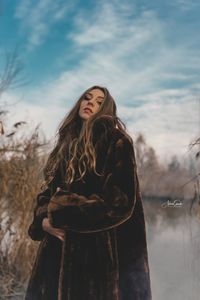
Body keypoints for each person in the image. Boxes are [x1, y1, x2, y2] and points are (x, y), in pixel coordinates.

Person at [25, 85, 152, 300]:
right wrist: (44, 221)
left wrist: (59, 211)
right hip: (54, 254)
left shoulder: (117, 141)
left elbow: (119, 204)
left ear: (106, 109)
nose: (91, 102)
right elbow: (47, 194)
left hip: (96, 259)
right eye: (87, 97)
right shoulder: (66, 144)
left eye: (99, 101)